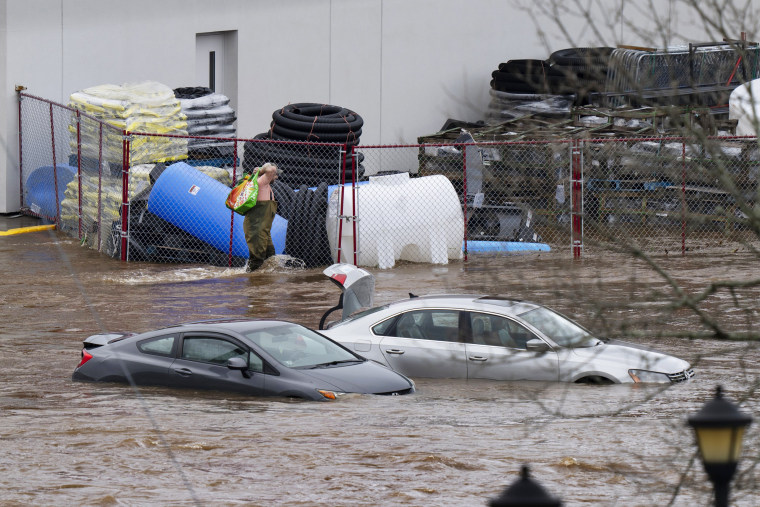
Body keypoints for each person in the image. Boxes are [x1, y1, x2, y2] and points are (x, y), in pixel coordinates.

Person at [243, 162, 279, 272]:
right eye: (276, 175)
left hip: (263, 229)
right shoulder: (262, 181)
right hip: (257, 228)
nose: (276, 177)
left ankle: (264, 283)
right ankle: (252, 282)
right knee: (257, 259)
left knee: (270, 255)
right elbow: (270, 169)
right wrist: (261, 169)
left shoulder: (263, 183)